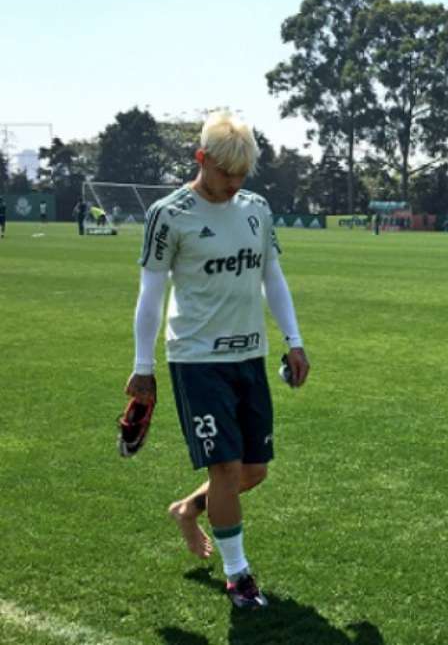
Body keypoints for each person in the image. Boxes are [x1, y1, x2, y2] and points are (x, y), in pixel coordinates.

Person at [124, 111, 310, 609]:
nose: (235, 183)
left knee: (253, 472)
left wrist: (293, 339)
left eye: (242, 174)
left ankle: (189, 508)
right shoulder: (170, 213)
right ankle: (239, 576)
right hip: (197, 358)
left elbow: (272, 275)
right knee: (225, 467)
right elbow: (150, 293)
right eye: (225, 172)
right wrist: (144, 368)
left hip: (250, 355)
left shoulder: (256, 208)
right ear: (201, 159)